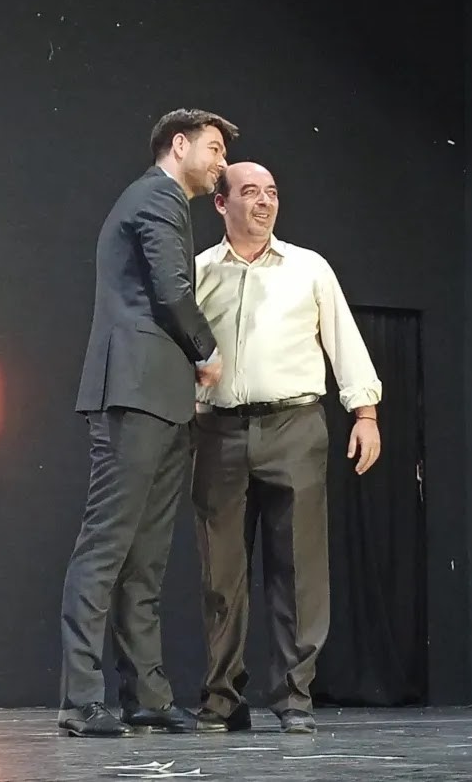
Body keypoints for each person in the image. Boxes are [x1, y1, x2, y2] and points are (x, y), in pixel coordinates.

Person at [58, 108, 238, 738]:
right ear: (178, 145)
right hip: (133, 394)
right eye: (214, 150)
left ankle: (147, 695)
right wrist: (207, 350)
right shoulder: (157, 198)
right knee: (106, 545)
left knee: (148, 557)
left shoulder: (167, 203)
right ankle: (81, 698)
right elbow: (169, 288)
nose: (220, 163)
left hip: (162, 400)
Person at [191, 162, 383, 734]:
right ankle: (222, 698)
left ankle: (295, 697)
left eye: (272, 193)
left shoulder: (308, 267)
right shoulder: (199, 271)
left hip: (294, 426)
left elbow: (344, 339)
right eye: (250, 192)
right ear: (221, 203)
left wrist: (365, 413)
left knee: (299, 569)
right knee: (221, 573)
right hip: (218, 430)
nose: (264, 202)